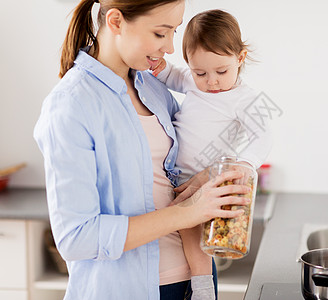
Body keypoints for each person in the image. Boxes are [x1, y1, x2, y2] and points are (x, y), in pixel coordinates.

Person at [33, 1, 251, 299]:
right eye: (161, 33)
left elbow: (179, 165)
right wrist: (186, 213)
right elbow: (76, 238)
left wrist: (207, 177)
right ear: (116, 22)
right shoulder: (71, 105)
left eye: (174, 31)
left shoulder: (151, 87)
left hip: (194, 280)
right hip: (132, 290)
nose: (172, 48)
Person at [152, 8, 273, 296]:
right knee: (184, 226)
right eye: (200, 72)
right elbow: (172, 76)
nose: (212, 81)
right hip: (177, 175)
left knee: (193, 227)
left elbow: (263, 135)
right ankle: (202, 281)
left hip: (209, 177)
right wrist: (159, 68)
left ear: (240, 59)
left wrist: (245, 163)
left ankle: (203, 285)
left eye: (221, 71)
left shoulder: (244, 98)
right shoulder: (192, 81)